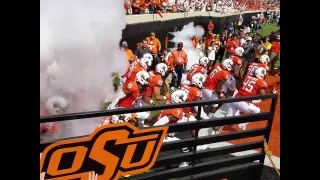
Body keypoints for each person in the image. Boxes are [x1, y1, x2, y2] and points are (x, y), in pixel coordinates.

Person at [203, 59, 233, 134]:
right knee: (215, 105)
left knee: (201, 104)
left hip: (204, 86)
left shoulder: (217, 65)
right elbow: (217, 90)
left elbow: (210, 73)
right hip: (210, 90)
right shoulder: (224, 73)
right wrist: (221, 95)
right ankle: (207, 120)